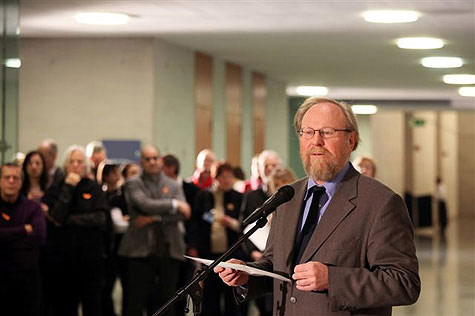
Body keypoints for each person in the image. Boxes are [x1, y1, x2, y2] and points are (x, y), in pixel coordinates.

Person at [215, 97, 420, 315]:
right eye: (308, 132)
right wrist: (248, 274)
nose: (316, 141)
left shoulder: (380, 202)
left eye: (327, 132)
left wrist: (332, 279)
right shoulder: (288, 196)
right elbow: (276, 264)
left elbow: (404, 282)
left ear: (351, 141)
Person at [118, 145, 191, 316]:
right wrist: (173, 204)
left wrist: (154, 217)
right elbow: (144, 204)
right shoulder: (133, 183)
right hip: (140, 251)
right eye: (147, 159)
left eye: (155, 158)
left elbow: (184, 213)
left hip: (169, 250)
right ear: (141, 162)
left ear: (160, 160)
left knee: (167, 303)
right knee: (136, 302)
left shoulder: (173, 184)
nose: (152, 162)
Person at [46, 145, 108, 316]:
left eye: (79, 161)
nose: (75, 165)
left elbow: (100, 218)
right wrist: (68, 188)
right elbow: (56, 217)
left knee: (92, 305)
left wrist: (70, 220)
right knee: (66, 306)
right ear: (65, 165)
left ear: (85, 165)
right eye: (71, 161)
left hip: (90, 258)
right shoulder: (58, 188)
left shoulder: (93, 187)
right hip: (64, 258)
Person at [190, 161, 244, 316]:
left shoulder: (238, 197)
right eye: (224, 176)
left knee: (231, 299)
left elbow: (243, 224)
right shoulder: (204, 195)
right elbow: (197, 222)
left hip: (231, 255)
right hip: (208, 254)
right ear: (216, 177)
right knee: (209, 298)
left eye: (230, 176)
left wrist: (230, 222)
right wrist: (193, 246)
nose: (227, 180)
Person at [0, 163, 46, 316]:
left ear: (21, 182)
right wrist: (23, 230)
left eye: (16, 178)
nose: (11, 181)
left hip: (27, 280)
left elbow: (40, 237)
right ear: (0, 180)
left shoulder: (33, 208)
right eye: (7, 177)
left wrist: (6, 235)